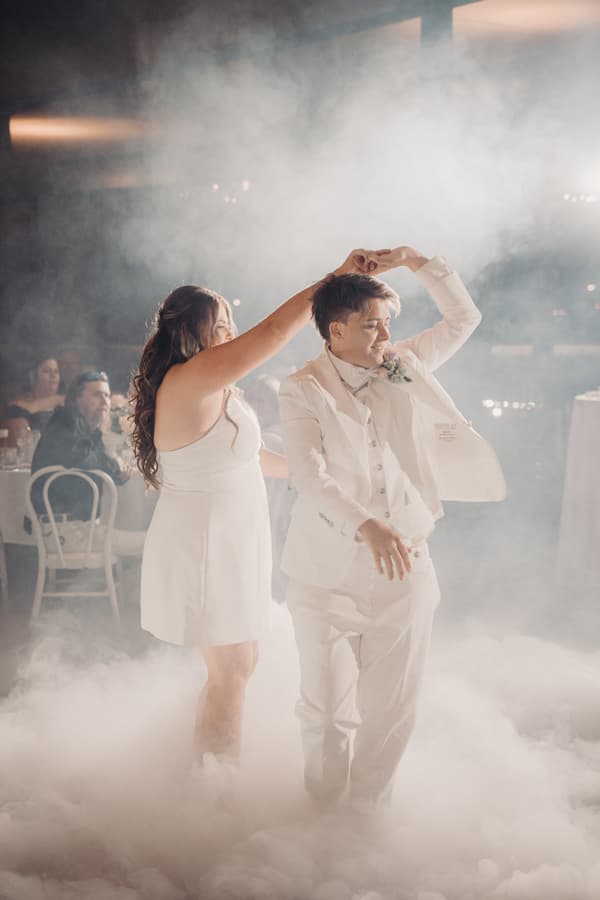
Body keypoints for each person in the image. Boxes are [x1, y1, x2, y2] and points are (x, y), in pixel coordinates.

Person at [131, 249, 381, 765]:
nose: (232, 334)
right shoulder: (191, 379)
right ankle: (215, 795)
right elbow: (270, 335)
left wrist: (318, 472)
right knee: (234, 669)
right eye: (221, 326)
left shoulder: (211, 387)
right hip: (206, 543)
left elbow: (249, 457)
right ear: (193, 332)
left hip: (231, 539)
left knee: (239, 664)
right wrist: (334, 278)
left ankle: (202, 773)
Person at [279, 246, 506, 808]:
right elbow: (309, 475)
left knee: (392, 707)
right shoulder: (301, 387)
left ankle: (363, 820)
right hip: (325, 575)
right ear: (336, 330)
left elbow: (464, 319)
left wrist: (412, 260)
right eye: (372, 326)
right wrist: (366, 525)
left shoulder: (406, 362)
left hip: (407, 567)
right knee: (328, 711)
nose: (384, 336)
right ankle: (322, 811)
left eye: (387, 325)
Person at [29, 371, 144, 557]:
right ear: (76, 399)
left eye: (107, 395)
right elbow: (85, 461)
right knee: (149, 542)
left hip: (78, 529)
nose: (104, 401)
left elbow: (107, 469)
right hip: (63, 532)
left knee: (144, 538)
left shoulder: (87, 431)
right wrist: (114, 464)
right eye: (97, 394)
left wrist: (115, 467)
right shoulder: (65, 423)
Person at [2, 355, 64, 438]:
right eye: (47, 371)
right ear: (32, 376)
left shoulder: (67, 401)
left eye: (56, 372)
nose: (53, 376)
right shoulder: (17, 407)